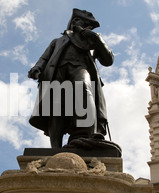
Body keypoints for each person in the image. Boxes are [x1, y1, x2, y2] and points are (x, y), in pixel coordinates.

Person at [28, 9, 114, 149]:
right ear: (74, 22)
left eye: (90, 26)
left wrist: (97, 38)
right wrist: (37, 68)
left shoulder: (91, 40)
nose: (88, 27)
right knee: (57, 107)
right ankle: (55, 148)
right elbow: (44, 58)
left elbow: (108, 60)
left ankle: (91, 135)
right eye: (86, 24)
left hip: (80, 68)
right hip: (57, 72)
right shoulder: (58, 41)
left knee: (84, 88)